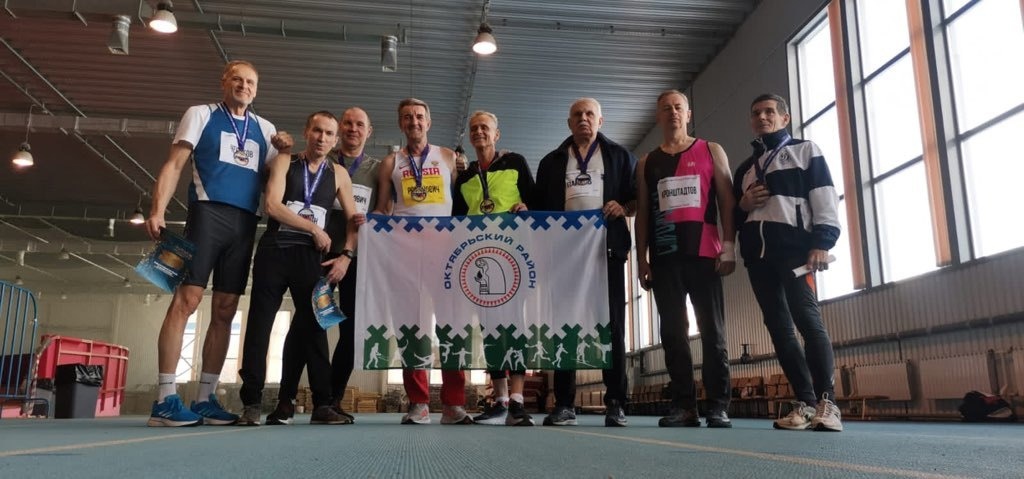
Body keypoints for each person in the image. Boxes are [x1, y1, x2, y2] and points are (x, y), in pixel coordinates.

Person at [145, 60, 291, 427]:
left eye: (250, 82)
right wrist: (157, 209)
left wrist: (286, 150)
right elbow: (174, 164)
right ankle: (165, 399)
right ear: (224, 82)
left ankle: (205, 398)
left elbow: (278, 178)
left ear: (257, 89)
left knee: (226, 310)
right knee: (187, 301)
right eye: (237, 79)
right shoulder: (200, 114)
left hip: (245, 223)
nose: (244, 86)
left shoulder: (265, 128)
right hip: (207, 216)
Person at [236, 111, 359, 426]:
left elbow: (353, 221)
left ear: (335, 140)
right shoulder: (284, 161)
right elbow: (272, 206)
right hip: (275, 251)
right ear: (307, 132)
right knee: (260, 325)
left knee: (316, 328)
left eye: (329, 134)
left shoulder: (339, 174)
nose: (322, 138)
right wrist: (313, 228)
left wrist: (346, 254)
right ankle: (251, 403)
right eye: (317, 131)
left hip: (311, 258)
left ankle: (322, 404)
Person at [733, 93, 842, 432]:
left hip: (796, 252)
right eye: (756, 113)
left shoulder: (805, 150)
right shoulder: (745, 169)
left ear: (785, 118)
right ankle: (805, 404)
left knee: (807, 319)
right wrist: (743, 204)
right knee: (779, 329)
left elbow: (824, 195)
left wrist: (822, 242)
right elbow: (735, 218)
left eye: (769, 112)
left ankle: (827, 403)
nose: (762, 117)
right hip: (759, 259)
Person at [266, 107, 381, 425]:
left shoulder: (377, 169)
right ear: (338, 130)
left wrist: (347, 255)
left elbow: (383, 209)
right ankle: (287, 398)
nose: (353, 129)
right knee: (305, 326)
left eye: (360, 124)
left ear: (369, 131)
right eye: (348, 124)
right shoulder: (317, 159)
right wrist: (281, 148)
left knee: (351, 330)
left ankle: (333, 398)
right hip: (314, 253)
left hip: (352, 257)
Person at [635, 90, 735, 428]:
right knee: (674, 334)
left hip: (706, 254)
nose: (673, 112)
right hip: (665, 259)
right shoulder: (646, 162)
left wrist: (729, 246)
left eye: (678, 107)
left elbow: (727, 200)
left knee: (713, 332)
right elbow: (643, 214)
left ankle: (718, 405)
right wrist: (641, 259)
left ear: (688, 114)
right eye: (666, 108)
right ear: (658, 117)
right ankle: (684, 406)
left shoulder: (711, 150)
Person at [533, 98, 636, 427]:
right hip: (564, 255)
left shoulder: (620, 156)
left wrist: (623, 207)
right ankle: (565, 404)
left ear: (600, 120)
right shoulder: (552, 162)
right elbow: (537, 206)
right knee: (564, 328)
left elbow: (636, 198)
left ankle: (616, 402)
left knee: (613, 327)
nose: (583, 118)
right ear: (569, 122)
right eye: (577, 114)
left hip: (607, 250)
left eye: (590, 114)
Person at [373, 98, 471, 425]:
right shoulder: (391, 162)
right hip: (406, 253)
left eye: (419, 116)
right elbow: (383, 208)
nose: (413, 121)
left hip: (445, 252)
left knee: (453, 326)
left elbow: (462, 206)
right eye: (407, 117)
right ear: (400, 124)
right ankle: (419, 403)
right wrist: (367, 221)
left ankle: (454, 404)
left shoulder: (449, 157)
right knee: (412, 327)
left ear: (429, 122)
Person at [451, 111, 535, 426]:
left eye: (485, 127)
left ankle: (518, 401)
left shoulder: (515, 162)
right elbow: (456, 220)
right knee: (489, 329)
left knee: (515, 327)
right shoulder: (465, 177)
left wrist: (527, 207)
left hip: (514, 258)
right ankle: (499, 401)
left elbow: (536, 200)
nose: (479, 132)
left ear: (496, 134)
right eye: (474, 128)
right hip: (479, 261)